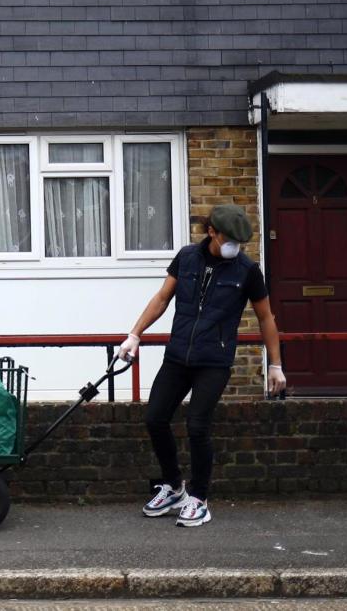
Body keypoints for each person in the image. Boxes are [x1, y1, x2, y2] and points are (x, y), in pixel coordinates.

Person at [117, 204, 287, 528]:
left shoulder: (247, 271)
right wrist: (134, 334)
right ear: (212, 231)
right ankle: (174, 487)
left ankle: (199, 498)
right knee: (155, 418)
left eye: (241, 240)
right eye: (230, 238)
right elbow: (163, 297)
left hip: (214, 360)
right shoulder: (186, 258)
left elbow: (266, 317)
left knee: (197, 426)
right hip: (178, 355)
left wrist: (276, 364)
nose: (235, 246)